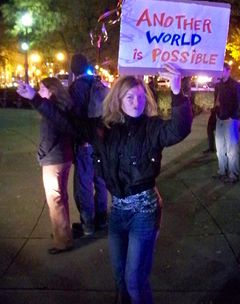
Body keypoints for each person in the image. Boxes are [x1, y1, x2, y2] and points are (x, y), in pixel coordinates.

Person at [17, 63, 192, 303]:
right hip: (118, 211)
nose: (135, 102)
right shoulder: (103, 129)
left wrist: (177, 92)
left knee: (134, 280)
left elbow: (179, 129)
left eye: (140, 97)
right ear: (118, 100)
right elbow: (68, 122)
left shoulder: (152, 128)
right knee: (120, 278)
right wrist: (35, 98)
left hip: (145, 210)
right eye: (129, 96)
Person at [68, 53, 108, 236]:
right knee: (100, 180)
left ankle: (88, 224)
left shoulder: (76, 87)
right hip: (101, 141)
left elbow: (73, 117)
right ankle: (102, 218)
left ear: (73, 69)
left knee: (83, 183)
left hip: (85, 142)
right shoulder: (98, 83)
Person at [34, 77, 74, 255]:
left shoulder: (50, 111)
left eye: (41, 88)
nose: (38, 91)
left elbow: (48, 138)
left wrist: (40, 154)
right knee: (61, 198)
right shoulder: (62, 107)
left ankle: (61, 242)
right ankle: (63, 234)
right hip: (64, 157)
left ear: (51, 91)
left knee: (55, 201)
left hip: (53, 159)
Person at [213, 62, 240, 183]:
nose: (220, 72)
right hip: (220, 118)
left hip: (230, 120)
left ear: (228, 70)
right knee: (220, 148)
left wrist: (234, 117)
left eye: (222, 70)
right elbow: (217, 100)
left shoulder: (235, 85)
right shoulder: (218, 85)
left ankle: (233, 174)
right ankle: (222, 171)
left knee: (232, 149)